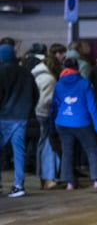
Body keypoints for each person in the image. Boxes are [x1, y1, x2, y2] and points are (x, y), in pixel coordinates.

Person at [50, 57, 97, 191]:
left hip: (62, 122)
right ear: (77, 68)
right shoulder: (84, 84)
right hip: (81, 122)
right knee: (92, 150)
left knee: (67, 152)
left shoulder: (58, 84)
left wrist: (52, 123)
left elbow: (54, 106)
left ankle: (70, 182)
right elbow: (92, 106)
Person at [0, 42, 39, 197]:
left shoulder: (1, 72)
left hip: (3, 117)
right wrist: (27, 111)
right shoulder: (26, 73)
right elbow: (35, 95)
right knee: (19, 152)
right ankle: (18, 185)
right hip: (21, 117)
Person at [31, 48, 59, 189]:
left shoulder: (35, 74)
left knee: (41, 145)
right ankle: (48, 177)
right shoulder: (49, 79)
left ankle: (43, 178)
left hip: (35, 114)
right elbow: (46, 101)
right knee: (48, 145)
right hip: (44, 114)